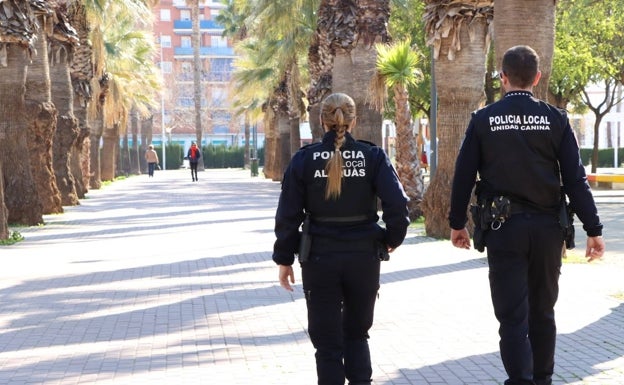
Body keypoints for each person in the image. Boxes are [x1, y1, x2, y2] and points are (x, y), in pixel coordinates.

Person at [449, 45, 605, 385]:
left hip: (504, 229)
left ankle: (521, 380)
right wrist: (593, 229)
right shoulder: (556, 118)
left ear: (503, 78)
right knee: (543, 314)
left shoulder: (483, 119)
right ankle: (543, 379)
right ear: (537, 77)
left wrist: (456, 223)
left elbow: (463, 175)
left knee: (512, 317)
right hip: (549, 229)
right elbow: (575, 179)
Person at [273, 93, 410, 385]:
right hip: (364, 255)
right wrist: (391, 239)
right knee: (357, 334)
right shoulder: (372, 156)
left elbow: (288, 215)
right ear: (354, 121)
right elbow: (398, 205)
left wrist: (284, 259)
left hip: (320, 257)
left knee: (327, 345)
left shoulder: (304, 159)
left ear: (322, 121)